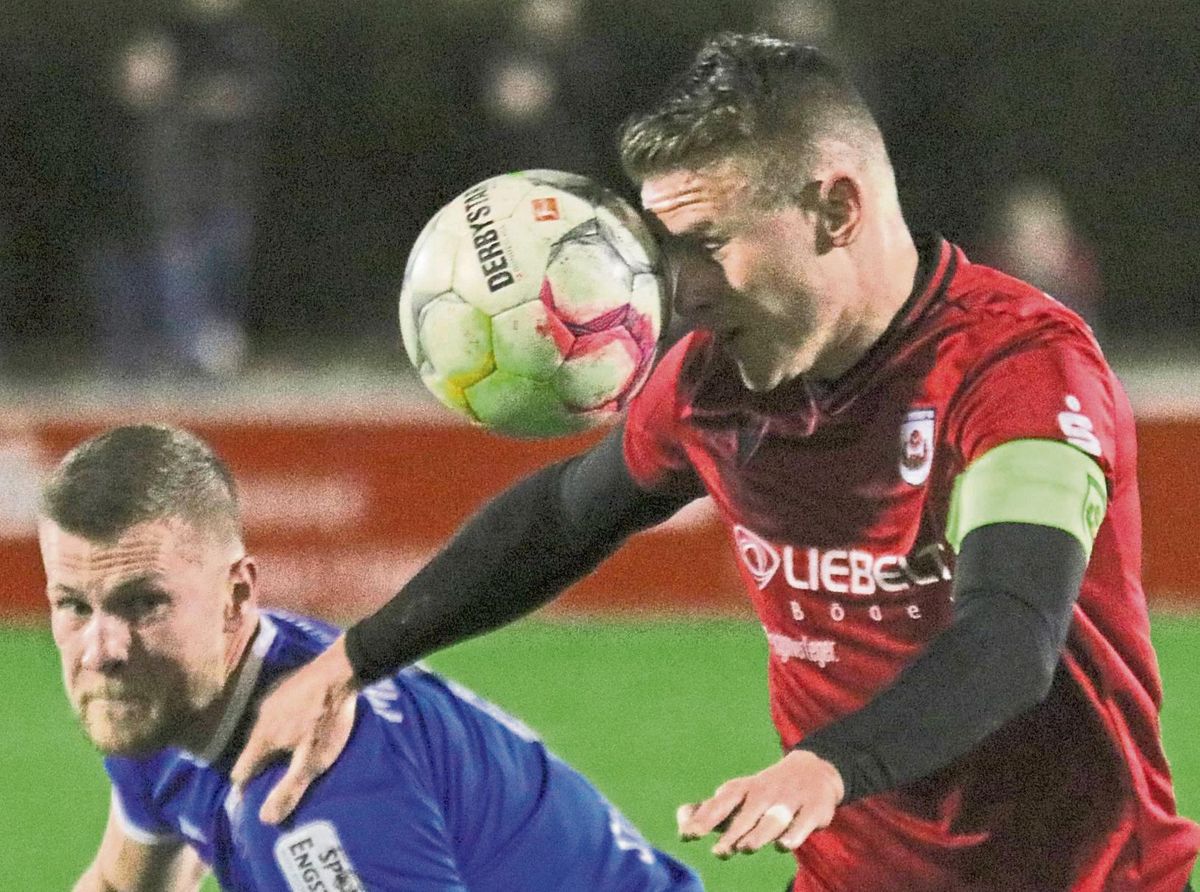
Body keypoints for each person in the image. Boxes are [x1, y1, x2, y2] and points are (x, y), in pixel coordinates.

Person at [231, 34, 1200, 891]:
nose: (682, 293)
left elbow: (1010, 633)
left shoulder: (1015, 372)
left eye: (708, 244)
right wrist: (354, 659)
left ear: (836, 208)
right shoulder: (716, 384)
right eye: (666, 248)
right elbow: (569, 513)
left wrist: (828, 766)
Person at [39, 424, 701, 891]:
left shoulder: (319, 799)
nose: (102, 650)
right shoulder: (162, 699)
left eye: (144, 604)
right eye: (72, 605)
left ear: (236, 595)